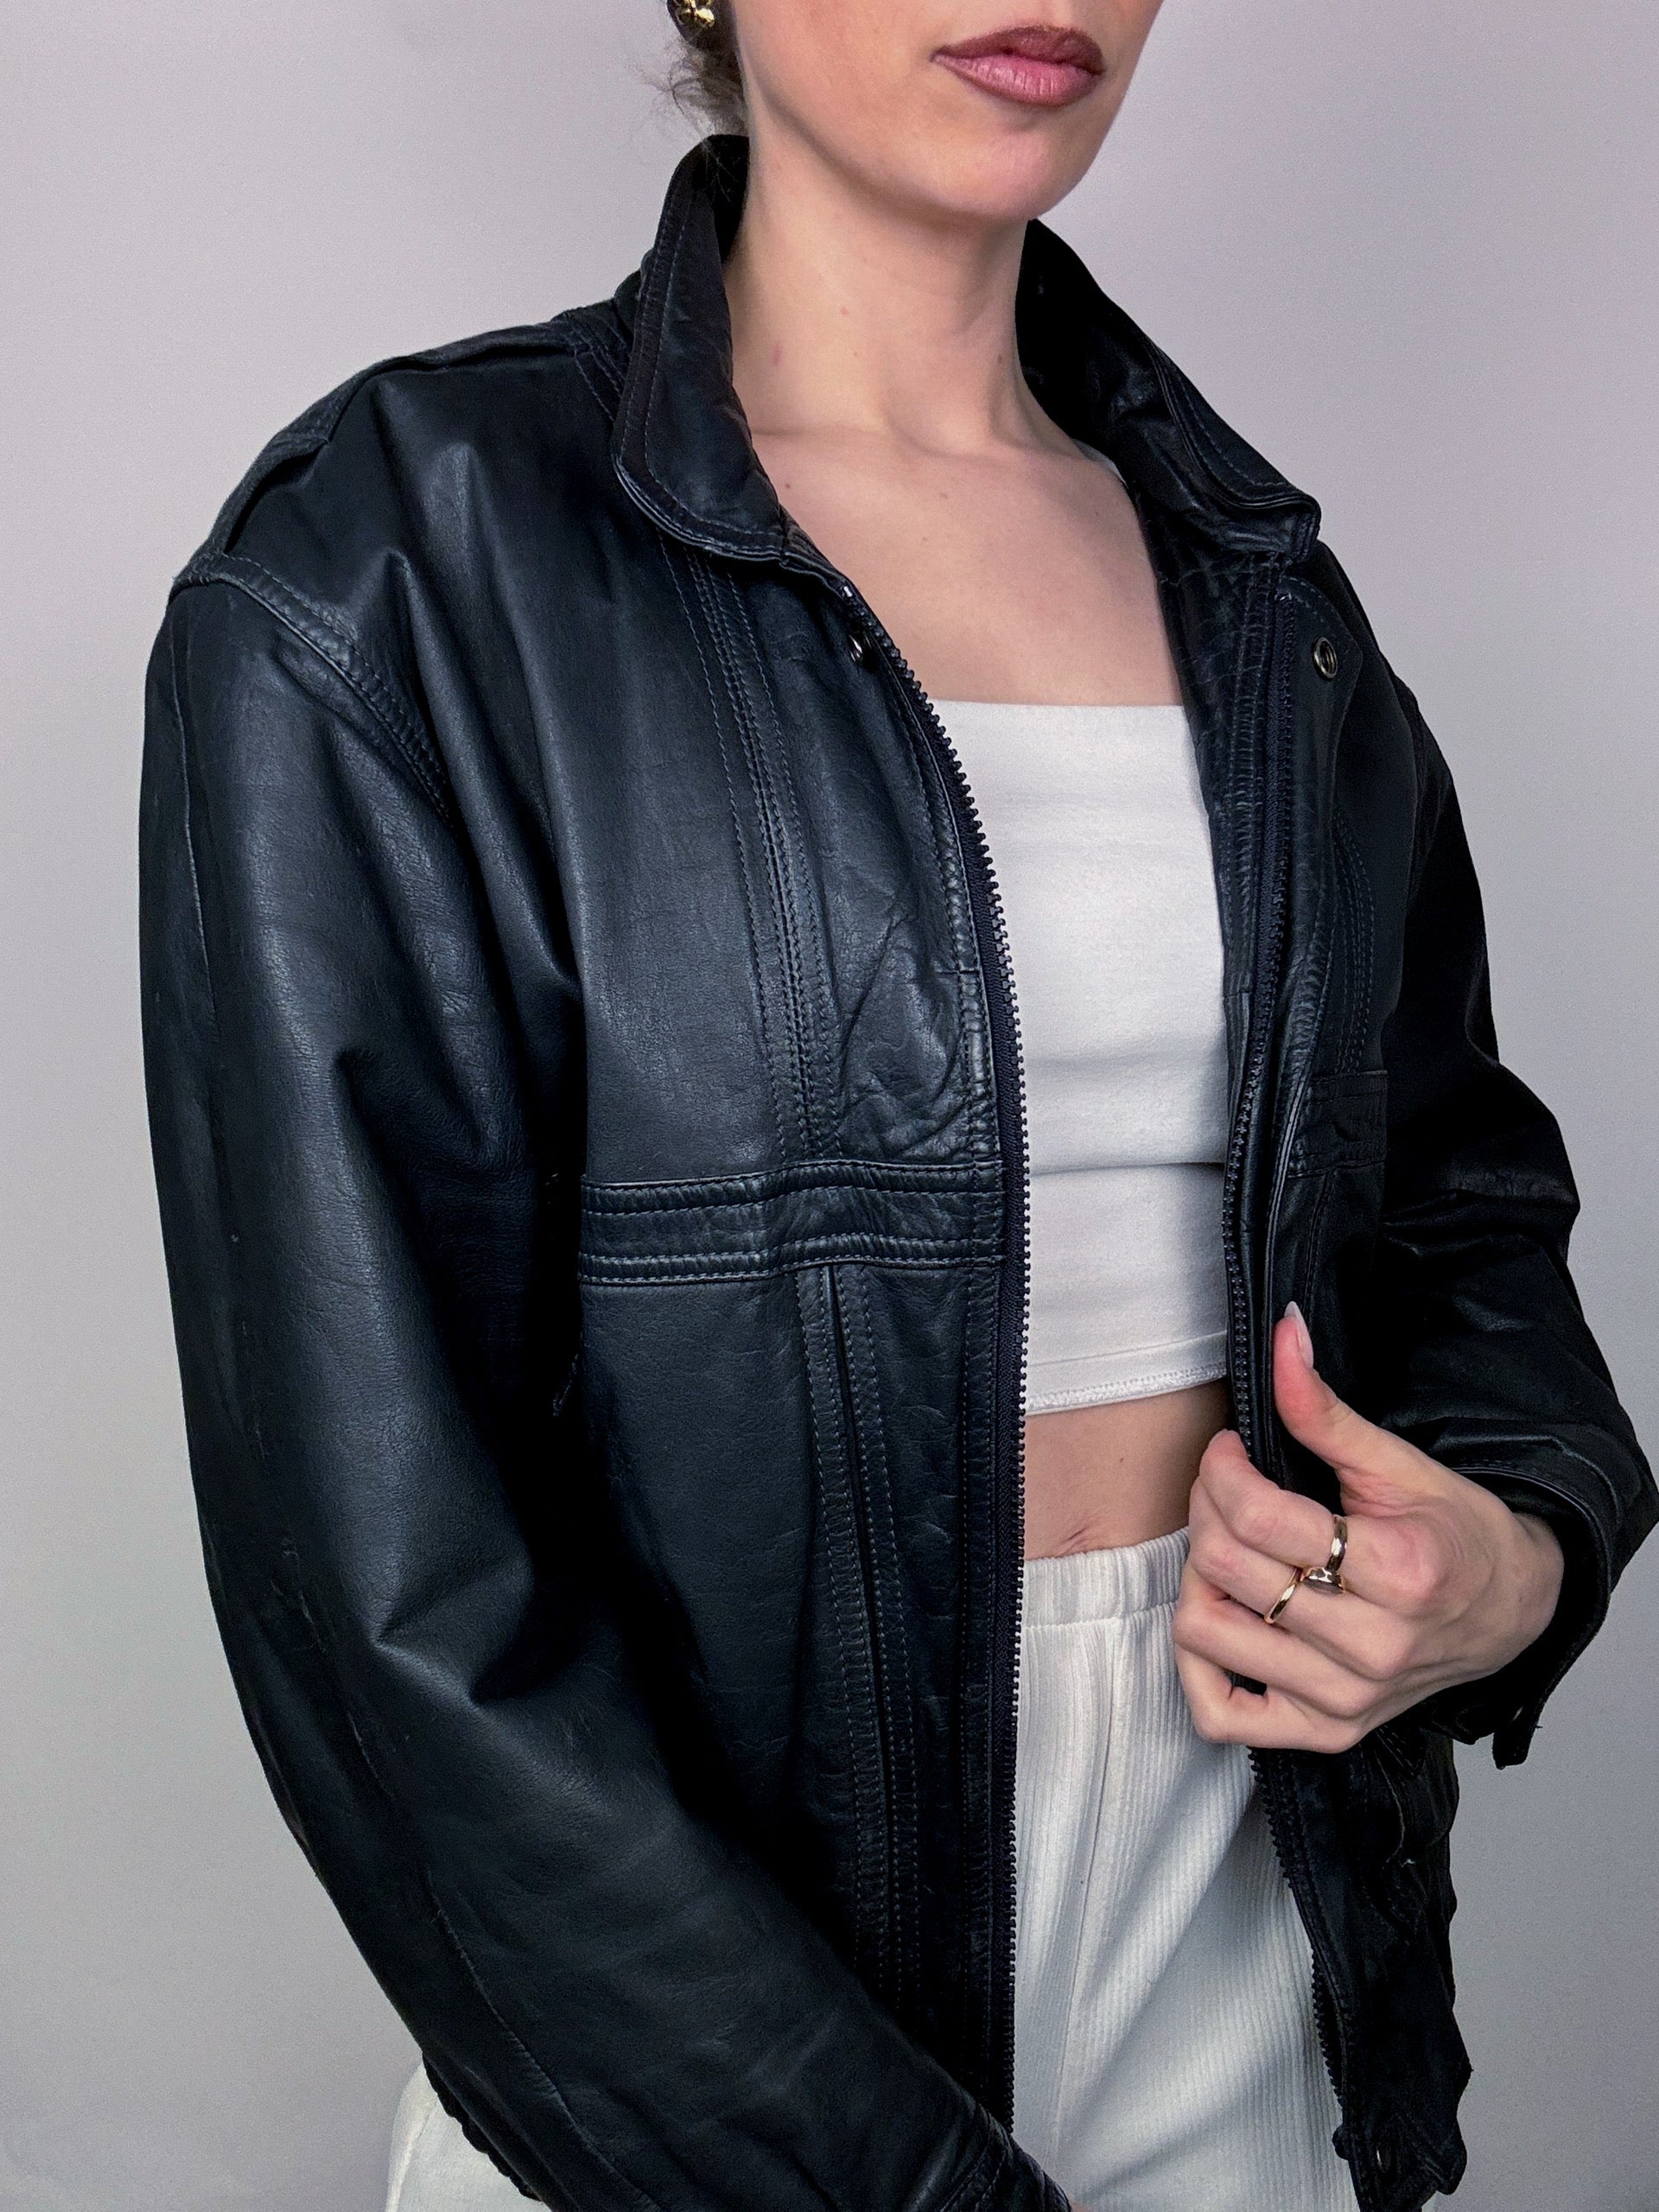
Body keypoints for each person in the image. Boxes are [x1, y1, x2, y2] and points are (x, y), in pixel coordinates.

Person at [138, 6, 1655, 2211]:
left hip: (1247, 1930)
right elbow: (382, 1595)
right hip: (695, 2028)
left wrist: (1512, 1555)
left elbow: (1456, 1214)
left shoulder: (1262, 594)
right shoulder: (398, 570)